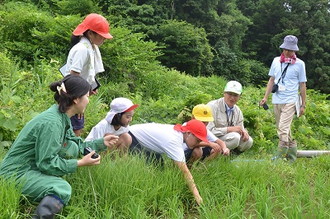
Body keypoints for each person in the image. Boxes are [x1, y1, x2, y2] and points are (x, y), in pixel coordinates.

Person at [0, 75, 118, 219]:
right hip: (14, 174)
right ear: (76, 99)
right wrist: (79, 163)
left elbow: (76, 144)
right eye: (87, 96)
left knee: (58, 183)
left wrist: (101, 143)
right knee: (61, 188)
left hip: (28, 170)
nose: (88, 100)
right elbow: (46, 163)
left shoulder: (61, 117)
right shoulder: (52, 123)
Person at [128, 119, 208, 205]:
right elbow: (184, 171)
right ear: (188, 133)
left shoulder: (178, 133)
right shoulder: (173, 140)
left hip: (144, 143)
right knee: (152, 171)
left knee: (159, 169)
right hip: (131, 138)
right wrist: (197, 196)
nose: (198, 143)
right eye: (198, 140)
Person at [62, 13, 113, 136]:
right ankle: (70, 154)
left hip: (77, 95)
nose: (104, 39)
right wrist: (78, 100)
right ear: (90, 33)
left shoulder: (89, 47)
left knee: (74, 128)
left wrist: (88, 89)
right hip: (73, 97)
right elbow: (73, 76)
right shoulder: (82, 49)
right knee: (74, 130)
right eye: (101, 36)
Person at [259, 35, 307, 162]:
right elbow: (271, 80)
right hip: (277, 99)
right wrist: (265, 97)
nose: (288, 52)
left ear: (295, 51)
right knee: (284, 129)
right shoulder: (275, 61)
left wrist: (303, 105)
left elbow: (302, 85)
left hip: (291, 100)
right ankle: (292, 157)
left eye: (291, 50)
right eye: (286, 49)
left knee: (283, 128)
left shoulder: (300, 64)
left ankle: (279, 157)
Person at [207, 81, 253, 154]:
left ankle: (228, 159)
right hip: (212, 139)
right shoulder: (212, 106)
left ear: (240, 96)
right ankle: (212, 155)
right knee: (235, 137)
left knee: (248, 141)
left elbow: (241, 128)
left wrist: (244, 132)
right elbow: (208, 131)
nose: (232, 98)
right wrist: (228, 129)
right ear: (224, 93)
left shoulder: (238, 110)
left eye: (235, 95)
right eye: (230, 94)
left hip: (228, 138)